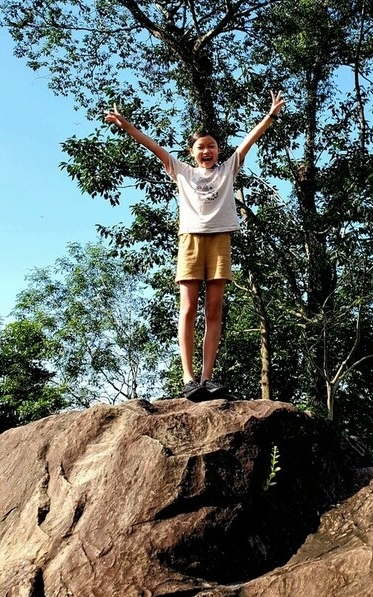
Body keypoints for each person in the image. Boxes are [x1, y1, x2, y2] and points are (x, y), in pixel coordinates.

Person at [104, 91, 285, 401]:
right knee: (187, 309)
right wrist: (127, 126)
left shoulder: (228, 170)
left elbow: (249, 141)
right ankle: (189, 378)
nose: (207, 151)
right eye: (201, 147)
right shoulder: (182, 172)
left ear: (218, 151)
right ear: (191, 153)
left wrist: (270, 115)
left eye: (212, 146)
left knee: (214, 310)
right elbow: (152, 146)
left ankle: (207, 378)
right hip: (190, 240)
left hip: (220, 240)